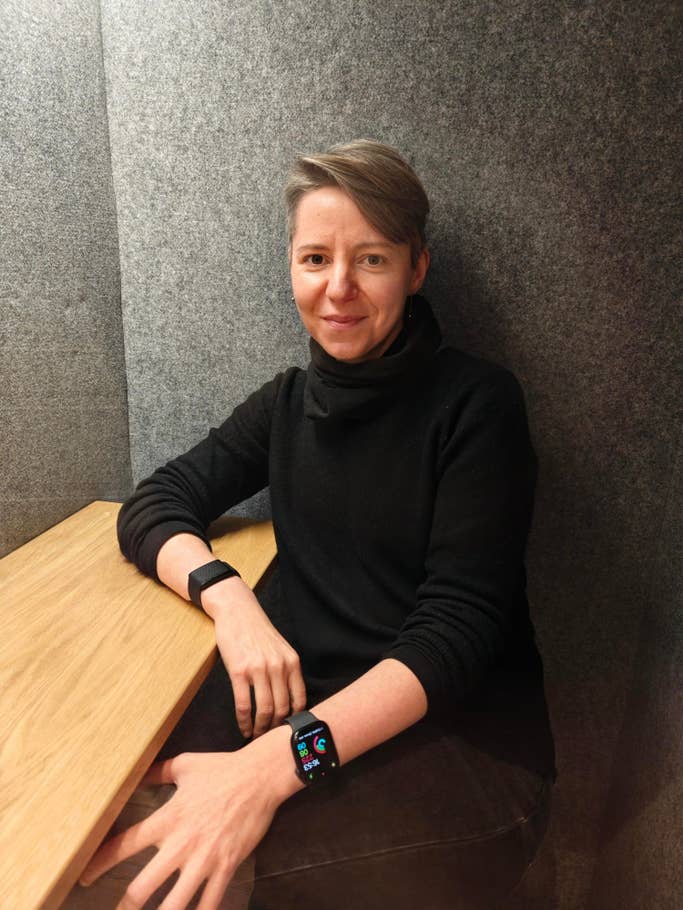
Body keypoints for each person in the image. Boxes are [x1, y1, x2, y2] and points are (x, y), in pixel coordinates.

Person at [73, 139, 556, 910]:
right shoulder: (287, 403)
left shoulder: (476, 403)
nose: (338, 288)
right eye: (315, 259)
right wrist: (231, 602)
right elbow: (157, 501)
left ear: (416, 268)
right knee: (106, 807)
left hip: (463, 745)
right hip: (315, 706)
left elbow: (452, 637)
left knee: (206, 865)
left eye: (371, 260)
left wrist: (269, 771)